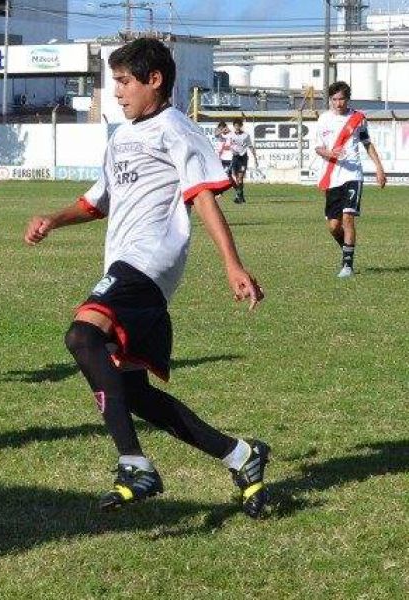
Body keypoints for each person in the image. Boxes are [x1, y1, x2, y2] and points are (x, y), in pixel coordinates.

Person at [24, 38, 271, 519]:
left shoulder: (176, 129)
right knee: (133, 393)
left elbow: (202, 197)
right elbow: (98, 202)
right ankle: (241, 455)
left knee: (82, 335)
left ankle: (133, 463)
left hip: (148, 262)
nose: (116, 92)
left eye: (123, 81)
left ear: (154, 80)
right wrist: (53, 219)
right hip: (126, 266)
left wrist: (232, 264)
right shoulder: (120, 137)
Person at [315, 81, 387, 278]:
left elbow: (367, 144)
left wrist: (379, 168)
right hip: (332, 176)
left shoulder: (357, 119)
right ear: (330, 99)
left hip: (353, 175)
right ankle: (347, 249)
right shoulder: (323, 120)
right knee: (333, 226)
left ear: (348, 99)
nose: (338, 103)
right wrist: (331, 153)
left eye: (342, 99)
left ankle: (348, 265)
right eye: (335, 99)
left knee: (348, 217)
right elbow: (318, 148)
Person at [227, 117, 258, 204]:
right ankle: (240, 196)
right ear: (234, 126)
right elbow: (229, 145)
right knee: (236, 178)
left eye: (238, 126)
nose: (237, 127)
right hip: (235, 158)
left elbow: (250, 146)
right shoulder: (231, 135)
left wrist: (255, 157)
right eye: (235, 126)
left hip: (243, 158)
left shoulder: (246, 135)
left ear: (241, 126)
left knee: (240, 178)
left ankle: (239, 196)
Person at [214, 121, 233, 185]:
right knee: (220, 174)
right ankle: (219, 193)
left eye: (223, 128)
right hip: (220, 157)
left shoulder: (231, 134)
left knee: (228, 175)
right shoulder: (220, 134)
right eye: (220, 128)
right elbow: (216, 134)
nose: (222, 130)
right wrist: (222, 131)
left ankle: (237, 189)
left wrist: (228, 130)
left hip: (229, 157)